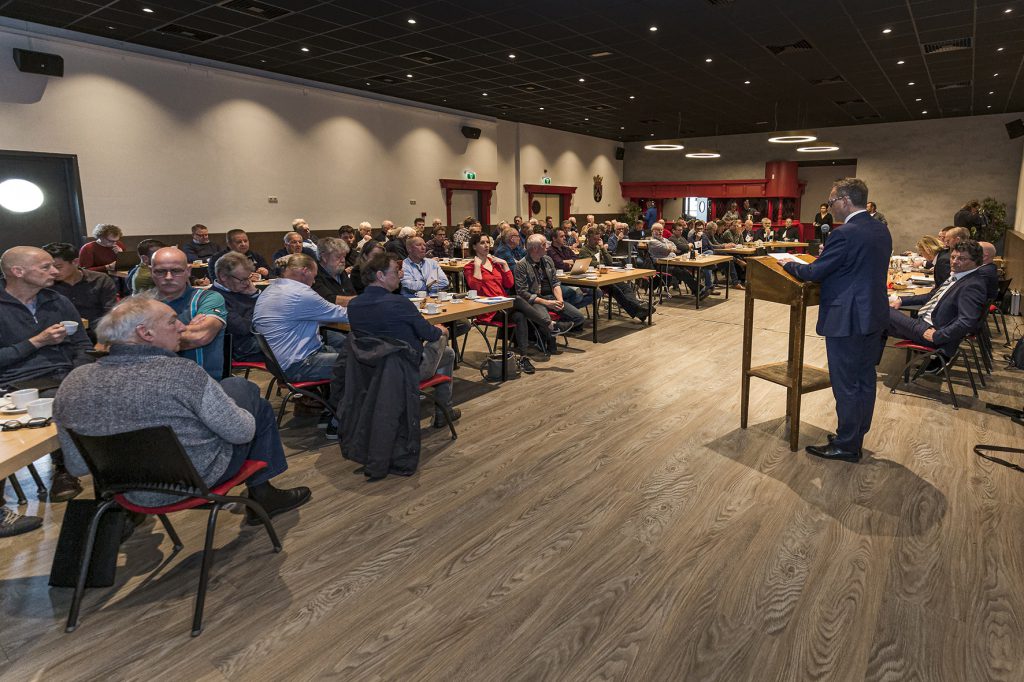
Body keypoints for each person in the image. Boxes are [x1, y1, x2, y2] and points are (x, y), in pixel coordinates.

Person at [54, 295, 310, 520]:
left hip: (125, 489)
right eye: (172, 321)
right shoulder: (182, 373)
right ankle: (263, 494)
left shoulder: (74, 381)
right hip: (196, 479)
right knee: (250, 396)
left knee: (236, 389)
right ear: (146, 333)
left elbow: (77, 467)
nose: (182, 327)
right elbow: (242, 433)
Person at [780, 178, 891, 462]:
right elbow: (856, 267)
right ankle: (854, 436)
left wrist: (788, 264)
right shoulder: (879, 228)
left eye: (831, 201)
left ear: (844, 200)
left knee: (846, 384)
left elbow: (814, 273)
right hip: (873, 315)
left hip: (848, 319)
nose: (830, 207)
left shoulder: (846, 233)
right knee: (864, 381)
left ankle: (846, 445)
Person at [1, 245, 94, 501]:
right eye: (45, 267)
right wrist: (36, 342)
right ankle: (64, 468)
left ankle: (76, 471)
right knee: (58, 400)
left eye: (53, 265)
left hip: (63, 374)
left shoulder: (57, 300)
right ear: (18, 271)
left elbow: (83, 345)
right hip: (14, 384)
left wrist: (79, 373)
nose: (54, 271)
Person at [348, 253, 461, 427]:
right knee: (443, 340)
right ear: (380, 275)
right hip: (407, 369)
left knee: (446, 353)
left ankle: (443, 410)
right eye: (396, 270)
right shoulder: (399, 302)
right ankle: (443, 411)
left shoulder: (354, 305)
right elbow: (430, 334)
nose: (401, 274)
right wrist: (441, 330)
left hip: (371, 367)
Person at [253, 253, 348, 382]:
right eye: (314, 276)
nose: (314, 282)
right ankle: (346, 401)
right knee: (361, 361)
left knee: (349, 348)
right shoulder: (300, 293)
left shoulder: (271, 289)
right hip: (297, 364)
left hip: (280, 363)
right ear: (305, 271)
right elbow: (343, 315)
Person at [886, 240, 987, 362]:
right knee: (876, 325)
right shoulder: (958, 276)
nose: (954, 261)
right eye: (953, 257)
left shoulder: (972, 285)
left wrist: (937, 336)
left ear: (976, 262)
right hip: (923, 324)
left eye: (962, 259)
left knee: (881, 308)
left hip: (932, 333)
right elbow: (931, 297)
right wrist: (902, 300)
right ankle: (867, 366)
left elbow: (967, 321)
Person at [150, 247, 228, 379]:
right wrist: (186, 329)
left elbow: (200, 335)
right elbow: (112, 344)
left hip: (203, 386)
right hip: (152, 384)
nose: (168, 277)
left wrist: (144, 336)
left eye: (176, 271)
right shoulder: (138, 303)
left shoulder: (209, 298)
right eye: (160, 271)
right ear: (151, 272)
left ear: (188, 271)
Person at [463, 233, 535, 373]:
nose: (486, 245)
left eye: (487, 242)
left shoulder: (495, 264)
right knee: (519, 300)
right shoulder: (470, 267)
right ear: (474, 246)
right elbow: (475, 289)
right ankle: (547, 324)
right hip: (487, 309)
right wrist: (477, 267)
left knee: (520, 315)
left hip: (502, 306)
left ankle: (523, 357)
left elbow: (509, 283)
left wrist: (504, 264)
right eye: (482, 243)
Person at [514, 235, 580, 347]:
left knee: (578, 317)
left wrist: (560, 300)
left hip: (551, 297)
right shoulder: (521, 265)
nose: (547, 247)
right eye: (544, 245)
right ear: (535, 248)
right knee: (545, 319)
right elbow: (522, 292)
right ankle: (547, 333)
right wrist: (547, 303)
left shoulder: (548, 260)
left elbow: (555, 282)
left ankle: (552, 330)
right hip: (536, 300)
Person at [43, 242, 118, 338]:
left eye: (58, 267)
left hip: (96, 333)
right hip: (59, 336)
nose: (53, 271)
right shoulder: (45, 284)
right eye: (47, 267)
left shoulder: (100, 280)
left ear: (75, 262)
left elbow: (110, 313)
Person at [577, 229, 653, 322]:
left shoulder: (598, 248)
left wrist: (603, 248)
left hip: (606, 276)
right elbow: (590, 263)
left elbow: (609, 261)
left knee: (626, 287)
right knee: (616, 290)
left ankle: (638, 310)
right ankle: (639, 311)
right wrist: (601, 263)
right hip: (594, 279)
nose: (597, 241)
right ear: (588, 238)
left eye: (598, 239)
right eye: (594, 239)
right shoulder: (584, 250)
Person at [212, 251, 263, 362]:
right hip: (241, 348)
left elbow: (271, 312)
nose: (247, 283)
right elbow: (243, 328)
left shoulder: (243, 289)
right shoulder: (215, 298)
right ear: (223, 276)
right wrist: (262, 316)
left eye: (248, 278)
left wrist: (254, 294)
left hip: (256, 337)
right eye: (243, 279)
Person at [312, 237, 357, 305]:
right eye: (338, 257)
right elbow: (329, 300)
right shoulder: (314, 275)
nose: (343, 260)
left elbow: (352, 293)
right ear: (324, 257)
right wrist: (360, 300)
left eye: (344, 256)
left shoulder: (340, 271)